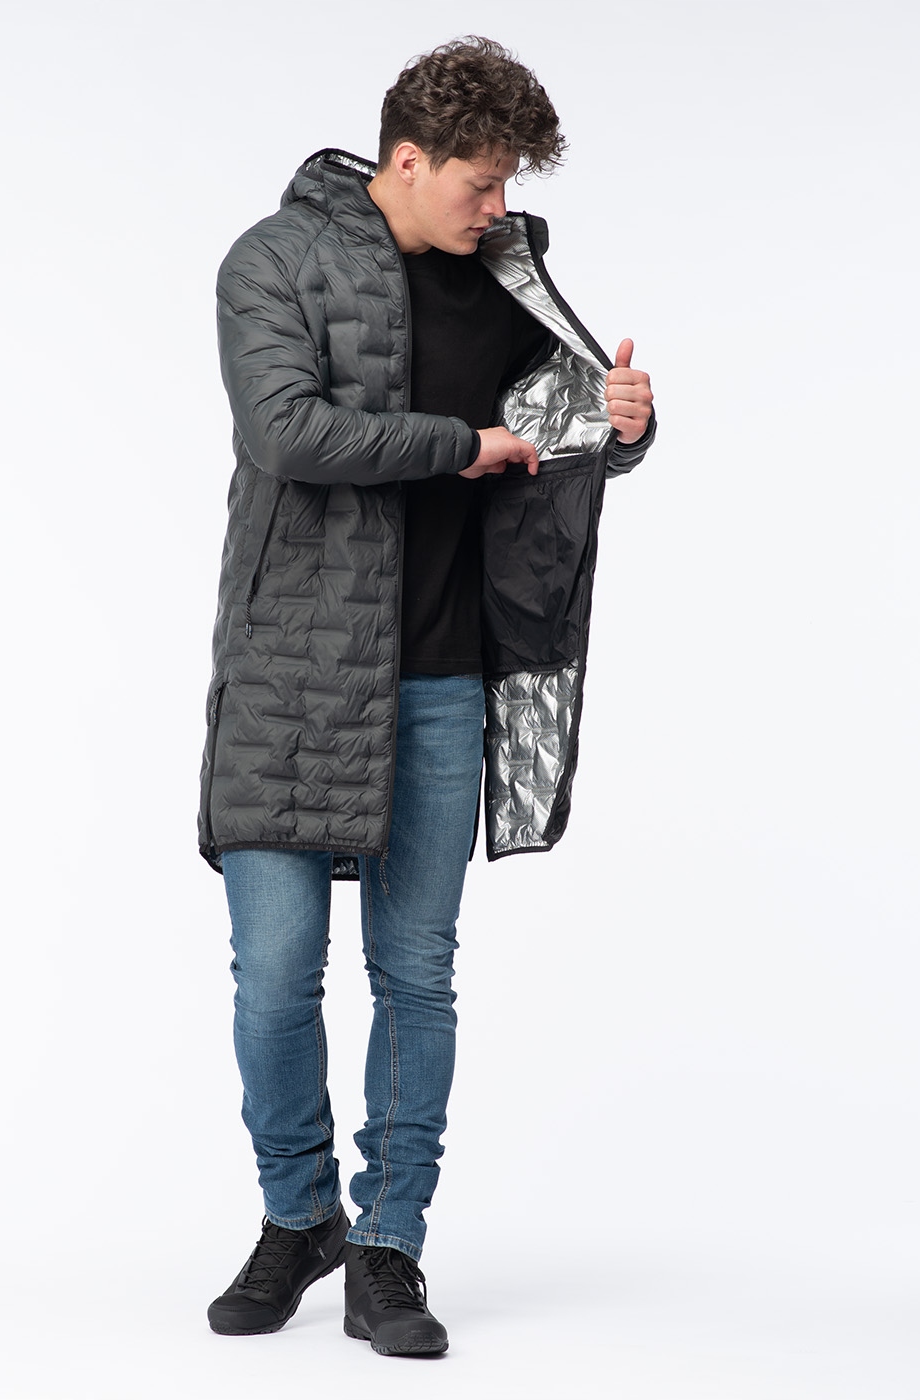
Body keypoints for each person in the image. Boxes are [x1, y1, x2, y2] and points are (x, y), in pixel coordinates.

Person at [197, 36, 656, 1357]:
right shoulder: (273, 262)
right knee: (273, 980)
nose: (499, 208)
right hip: (292, 674)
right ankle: (299, 1219)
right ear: (408, 160)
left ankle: (388, 1245)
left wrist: (624, 425)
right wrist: (462, 445)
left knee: (416, 976)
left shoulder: (509, 282)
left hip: (445, 675)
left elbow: (556, 442)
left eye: (510, 185)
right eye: (481, 183)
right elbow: (286, 429)